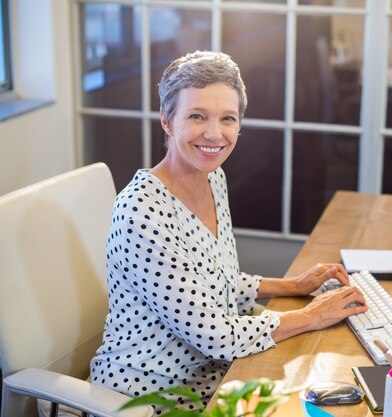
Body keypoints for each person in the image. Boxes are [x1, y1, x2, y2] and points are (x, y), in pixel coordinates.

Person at [90, 50, 367, 411]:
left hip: (216, 375)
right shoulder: (142, 211)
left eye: (227, 119)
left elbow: (214, 280)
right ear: (167, 121)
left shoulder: (212, 177)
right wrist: (313, 315)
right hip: (149, 395)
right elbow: (215, 335)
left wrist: (293, 286)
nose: (214, 134)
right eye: (197, 116)